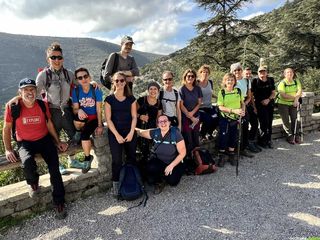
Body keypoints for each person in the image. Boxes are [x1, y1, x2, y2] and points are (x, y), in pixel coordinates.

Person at [2, 78, 68, 219]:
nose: (29, 92)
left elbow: (48, 123)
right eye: (25, 90)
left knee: (54, 170)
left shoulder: (42, 105)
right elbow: (6, 128)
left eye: (32, 89)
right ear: (20, 92)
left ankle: (59, 202)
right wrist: (8, 149)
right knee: (27, 163)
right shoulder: (12, 106)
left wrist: (57, 141)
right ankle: (33, 183)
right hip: (25, 142)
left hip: (44, 140)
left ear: (36, 91)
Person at [36, 42, 77, 175]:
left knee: (73, 134)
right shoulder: (43, 75)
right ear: (48, 59)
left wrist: (92, 83)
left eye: (59, 57)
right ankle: (58, 164)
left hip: (67, 108)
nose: (56, 60)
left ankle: (73, 159)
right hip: (52, 111)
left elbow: (80, 87)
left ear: (62, 58)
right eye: (53, 57)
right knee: (54, 138)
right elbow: (34, 94)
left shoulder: (69, 74)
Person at [104, 71, 137, 196]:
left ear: (125, 82)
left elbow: (134, 117)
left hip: (130, 131)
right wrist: (117, 135)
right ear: (113, 83)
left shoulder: (131, 99)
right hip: (115, 133)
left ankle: (133, 181)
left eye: (121, 80)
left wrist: (131, 132)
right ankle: (116, 185)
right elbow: (108, 119)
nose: (119, 83)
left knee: (131, 158)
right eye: (116, 81)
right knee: (117, 160)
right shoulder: (109, 100)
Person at [136, 115, 186, 194]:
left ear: (169, 122)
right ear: (158, 124)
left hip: (173, 163)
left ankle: (169, 174)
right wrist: (131, 128)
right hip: (160, 161)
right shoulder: (155, 132)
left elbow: (183, 153)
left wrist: (171, 166)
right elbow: (141, 132)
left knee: (173, 182)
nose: (163, 123)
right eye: (160, 122)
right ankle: (160, 180)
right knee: (150, 175)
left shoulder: (175, 134)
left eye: (165, 121)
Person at [71, 67, 104, 173]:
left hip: (93, 119)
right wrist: (79, 109)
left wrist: (99, 125)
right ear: (77, 80)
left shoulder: (96, 90)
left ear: (89, 77)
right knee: (76, 117)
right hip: (83, 118)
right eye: (80, 78)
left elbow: (99, 109)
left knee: (85, 136)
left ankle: (87, 158)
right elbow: (75, 109)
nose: (83, 79)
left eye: (85, 76)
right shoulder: (76, 91)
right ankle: (78, 131)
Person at [217, 73, 245, 167]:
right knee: (223, 136)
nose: (230, 81)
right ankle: (222, 155)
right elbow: (220, 107)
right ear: (224, 81)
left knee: (233, 136)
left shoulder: (238, 91)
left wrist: (242, 111)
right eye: (228, 80)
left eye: (232, 79)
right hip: (225, 117)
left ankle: (231, 154)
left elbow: (242, 103)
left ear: (235, 81)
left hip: (236, 118)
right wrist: (234, 111)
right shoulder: (222, 92)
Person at [136, 81, 162, 177]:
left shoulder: (159, 103)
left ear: (158, 91)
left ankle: (149, 174)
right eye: (151, 89)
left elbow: (158, 118)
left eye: (155, 89)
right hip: (141, 129)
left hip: (152, 130)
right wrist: (140, 116)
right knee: (142, 151)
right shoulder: (141, 100)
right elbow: (133, 113)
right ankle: (142, 175)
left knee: (149, 152)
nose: (153, 91)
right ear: (148, 90)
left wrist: (159, 130)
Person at [179, 69, 203, 172]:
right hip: (185, 117)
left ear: (194, 78)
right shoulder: (182, 89)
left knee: (195, 137)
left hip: (195, 117)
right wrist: (189, 115)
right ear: (185, 77)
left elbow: (199, 103)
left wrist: (192, 114)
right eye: (188, 76)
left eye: (192, 76)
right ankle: (189, 161)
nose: (190, 78)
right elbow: (181, 105)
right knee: (188, 138)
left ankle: (198, 161)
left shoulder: (197, 89)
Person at [231, 63, 254, 158]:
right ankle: (234, 150)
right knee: (235, 129)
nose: (237, 72)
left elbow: (249, 96)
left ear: (241, 70)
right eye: (235, 70)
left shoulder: (247, 81)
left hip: (244, 105)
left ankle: (243, 148)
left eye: (239, 70)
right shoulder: (231, 80)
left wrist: (244, 103)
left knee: (245, 127)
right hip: (233, 106)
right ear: (232, 71)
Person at [251, 66, 276, 148]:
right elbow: (251, 95)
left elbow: (273, 93)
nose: (262, 73)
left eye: (264, 71)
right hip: (259, 105)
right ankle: (262, 141)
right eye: (260, 72)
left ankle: (268, 140)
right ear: (258, 73)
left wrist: (268, 100)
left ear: (266, 72)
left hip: (269, 103)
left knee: (269, 122)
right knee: (263, 122)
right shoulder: (254, 81)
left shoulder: (271, 80)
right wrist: (254, 107)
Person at [276, 68, 302, 144]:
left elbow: (299, 91)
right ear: (284, 74)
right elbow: (283, 95)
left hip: (293, 103)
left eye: (291, 72)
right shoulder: (282, 83)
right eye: (287, 72)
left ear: (293, 74)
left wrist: (296, 100)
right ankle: (290, 137)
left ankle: (296, 135)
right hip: (283, 104)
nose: (289, 74)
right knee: (286, 121)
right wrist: (295, 98)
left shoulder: (296, 81)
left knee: (295, 120)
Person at [197, 64, 218, 142]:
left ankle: (209, 133)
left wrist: (217, 97)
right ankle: (202, 135)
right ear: (200, 73)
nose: (205, 74)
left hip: (209, 106)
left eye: (207, 72)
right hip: (200, 108)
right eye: (203, 72)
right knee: (207, 119)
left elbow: (210, 93)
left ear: (209, 73)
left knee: (216, 118)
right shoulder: (197, 83)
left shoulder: (210, 82)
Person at [243, 67, 261, 153]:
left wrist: (254, 107)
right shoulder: (236, 81)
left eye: (249, 73)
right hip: (240, 105)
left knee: (255, 123)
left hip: (248, 104)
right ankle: (245, 144)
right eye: (246, 73)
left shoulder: (248, 81)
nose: (248, 75)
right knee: (245, 125)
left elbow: (250, 96)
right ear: (243, 73)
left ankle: (251, 141)